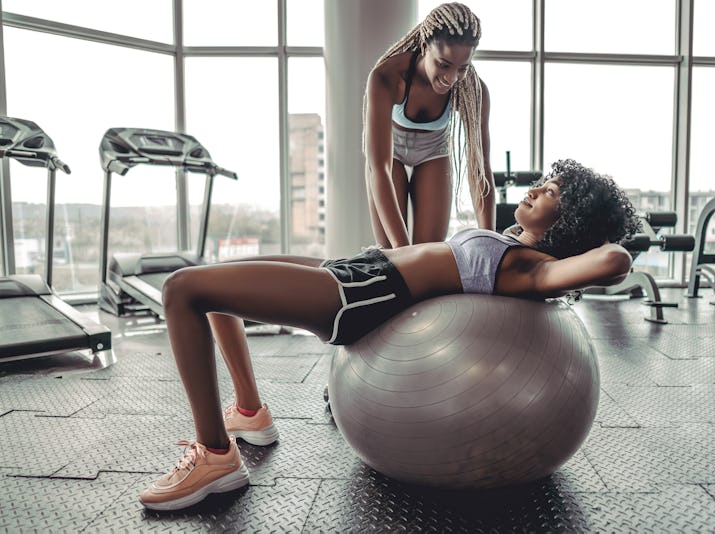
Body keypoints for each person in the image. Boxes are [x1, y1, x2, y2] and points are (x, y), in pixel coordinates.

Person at [139, 159, 640, 511]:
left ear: (569, 220)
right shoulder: (513, 243)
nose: (534, 190)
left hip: (364, 295)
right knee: (219, 277)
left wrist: (599, 242)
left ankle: (216, 457)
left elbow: (614, 262)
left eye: (551, 192)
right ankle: (250, 414)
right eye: (543, 182)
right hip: (360, 268)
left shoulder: (533, 268)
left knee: (184, 289)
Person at [364, 2, 495, 248]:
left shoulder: (474, 91)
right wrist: (404, 254)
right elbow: (378, 168)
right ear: (425, 47)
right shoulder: (386, 77)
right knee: (393, 253)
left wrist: (491, 244)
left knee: (428, 253)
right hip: (389, 155)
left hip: (434, 151)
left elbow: (480, 170)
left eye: (462, 68)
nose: (452, 78)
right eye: (444, 65)